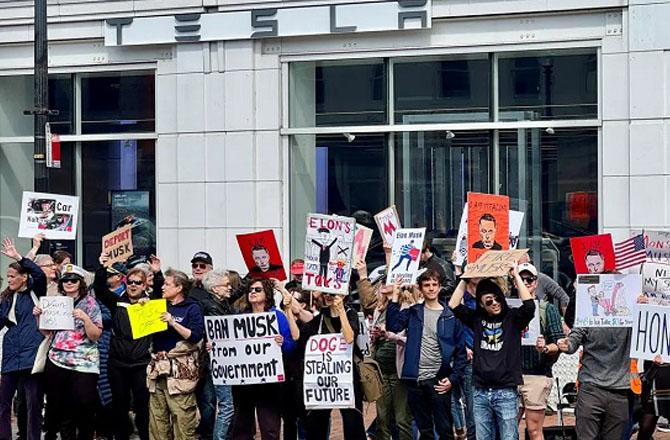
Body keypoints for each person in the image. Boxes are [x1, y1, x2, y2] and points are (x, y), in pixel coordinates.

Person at [449, 264, 536, 440]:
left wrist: (515, 276)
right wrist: (465, 278)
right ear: (481, 304)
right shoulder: (477, 319)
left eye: (497, 299)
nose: (495, 303)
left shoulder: (512, 318)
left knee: (509, 437)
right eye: (489, 301)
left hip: (506, 390)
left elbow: (529, 306)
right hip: (480, 390)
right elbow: (453, 304)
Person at [387, 269, 467, 440]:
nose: (431, 288)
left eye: (434, 285)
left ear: (439, 287)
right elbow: (393, 325)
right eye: (426, 285)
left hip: (439, 380)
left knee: (445, 428)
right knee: (424, 430)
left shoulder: (451, 316)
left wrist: (452, 379)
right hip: (415, 379)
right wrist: (395, 295)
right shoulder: (414, 311)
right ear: (421, 289)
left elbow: (460, 354)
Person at [38, 263, 103, 440]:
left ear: (80, 282)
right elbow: (47, 333)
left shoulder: (90, 303)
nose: (69, 283)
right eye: (65, 280)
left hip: (83, 363)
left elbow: (96, 335)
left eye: (73, 280)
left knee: (84, 406)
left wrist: (85, 318)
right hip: (57, 359)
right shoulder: (57, 301)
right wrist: (39, 317)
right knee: (60, 406)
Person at [95, 255, 156, 440]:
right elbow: (100, 290)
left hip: (141, 363)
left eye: (138, 282)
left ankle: (144, 436)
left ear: (145, 285)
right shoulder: (116, 302)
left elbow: (163, 295)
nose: (133, 285)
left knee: (142, 405)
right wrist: (102, 267)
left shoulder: (152, 303)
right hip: (118, 363)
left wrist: (157, 273)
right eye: (130, 282)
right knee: (119, 404)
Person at [230, 279, 297, 440]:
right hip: (244, 381)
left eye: (257, 289)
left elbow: (290, 345)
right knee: (241, 427)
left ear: (267, 294)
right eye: (250, 289)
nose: (252, 292)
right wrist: (215, 347)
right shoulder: (240, 317)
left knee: (270, 427)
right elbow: (229, 345)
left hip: (269, 382)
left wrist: (282, 343)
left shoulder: (277, 317)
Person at [147, 269, 204, 440]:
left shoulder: (192, 307)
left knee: (183, 418)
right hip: (158, 367)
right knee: (158, 420)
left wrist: (172, 322)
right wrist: (143, 308)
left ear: (179, 288)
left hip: (181, 372)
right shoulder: (159, 305)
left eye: (167, 284)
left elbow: (195, 336)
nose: (163, 287)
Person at [0, 238, 47, 440]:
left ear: (23, 278)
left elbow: (38, 273)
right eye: (7, 276)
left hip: (32, 356)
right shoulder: (6, 298)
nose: (9, 280)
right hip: (11, 354)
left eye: (12, 276)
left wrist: (19, 256)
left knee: (32, 405)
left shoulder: (35, 291)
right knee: (3, 404)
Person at [301, 294, 366, 440]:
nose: (329, 296)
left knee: (352, 422)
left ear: (343, 295)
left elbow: (349, 338)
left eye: (333, 294)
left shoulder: (351, 314)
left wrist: (341, 310)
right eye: (326, 293)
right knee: (316, 421)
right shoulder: (321, 318)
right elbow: (299, 316)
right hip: (323, 378)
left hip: (347, 377)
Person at [557, 315, 633, 439]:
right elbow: (576, 335)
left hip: (619, 391)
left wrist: (644, 306)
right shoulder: (588, 313)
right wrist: (569, 343)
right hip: (591, 389)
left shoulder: (633, 313)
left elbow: (648, 333)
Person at [514, 263, 563, 440]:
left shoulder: (547, 309)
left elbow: (559, 343)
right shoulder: (508, 307)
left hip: (537, 374)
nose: (525, 283)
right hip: (510, 375)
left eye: (529, 279)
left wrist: (546, 347)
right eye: (521, 279)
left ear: (536, 283)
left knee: (534, 430)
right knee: (507, 428)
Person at [369, 284, 413, 440]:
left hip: (398, 369)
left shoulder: (407, 307)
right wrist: (375, 335)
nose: (383, 285)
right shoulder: (379, 309)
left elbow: (411, 339)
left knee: (402, 418)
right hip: (381, 368)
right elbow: (375, 340)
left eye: (388, 281)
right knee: (382, 417)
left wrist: (389, 334)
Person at [201, 270, 237, 440]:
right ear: (215, 289)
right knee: (227, 406)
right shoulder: (212, 307)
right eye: (226, 285)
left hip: (217, 360)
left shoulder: (222, 304)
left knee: (214, 405)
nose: (230, 288)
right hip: (218, 361)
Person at [187, 251, 216, 439]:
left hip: (208, 352)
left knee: (208, 400)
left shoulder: (216, 290)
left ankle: (206, 434)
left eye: (202, 266)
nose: (198, 269)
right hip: (188, 351)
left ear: (210, 269)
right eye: (195, 265)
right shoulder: (185, 289)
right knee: (188, 398)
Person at [449, 276, 478, 440]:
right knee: (457, 401)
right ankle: (463, 432)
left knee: (475, 407)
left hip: (482, 359)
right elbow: (453, 307)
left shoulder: (486, 298)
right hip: (460, 356)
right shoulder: (461, 298)